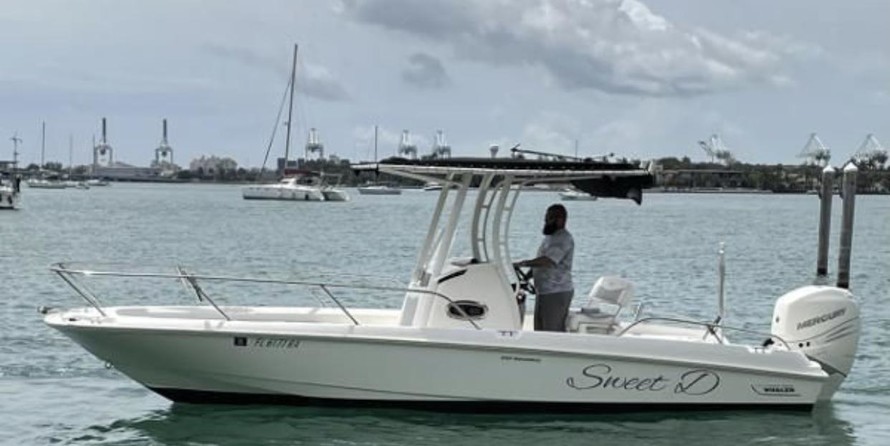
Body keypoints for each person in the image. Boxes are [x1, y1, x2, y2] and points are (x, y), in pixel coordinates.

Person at [514, 203, 574, 332]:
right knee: (540, 329)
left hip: (556, 291)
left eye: (549, 219)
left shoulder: (563, 239)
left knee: (552, 330)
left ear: (560, 219)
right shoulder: (550, 238)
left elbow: (548, 261)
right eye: (545, 219)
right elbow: (540, 263)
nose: (546, 222)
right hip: (543, 291)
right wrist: (527, 276)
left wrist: (523, 263)